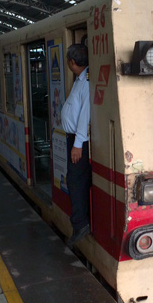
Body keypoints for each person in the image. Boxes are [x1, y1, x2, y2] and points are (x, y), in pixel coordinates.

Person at [61, 44, 91, 246]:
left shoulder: (87, 82)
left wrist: (78, 144)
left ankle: (80, 224)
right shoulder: (80, 80)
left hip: (79, 140)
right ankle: (80, 221)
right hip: (75, 139)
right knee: (76, 179)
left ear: (72, 62)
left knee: (75, 180)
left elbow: (85, 116)